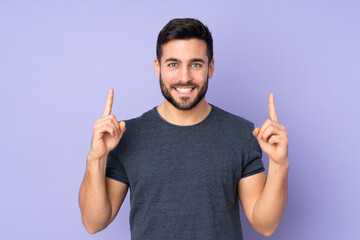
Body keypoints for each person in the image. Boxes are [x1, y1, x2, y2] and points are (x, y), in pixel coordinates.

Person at [79, 18, 289, 240]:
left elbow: (265, 225)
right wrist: (96, 158)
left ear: (211, 68)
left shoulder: (240, 134)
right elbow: (93, 223)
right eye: (173, 64)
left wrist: (279, 164)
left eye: (196, 64)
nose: (184, 77)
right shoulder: (126, 135)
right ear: (157, 67)